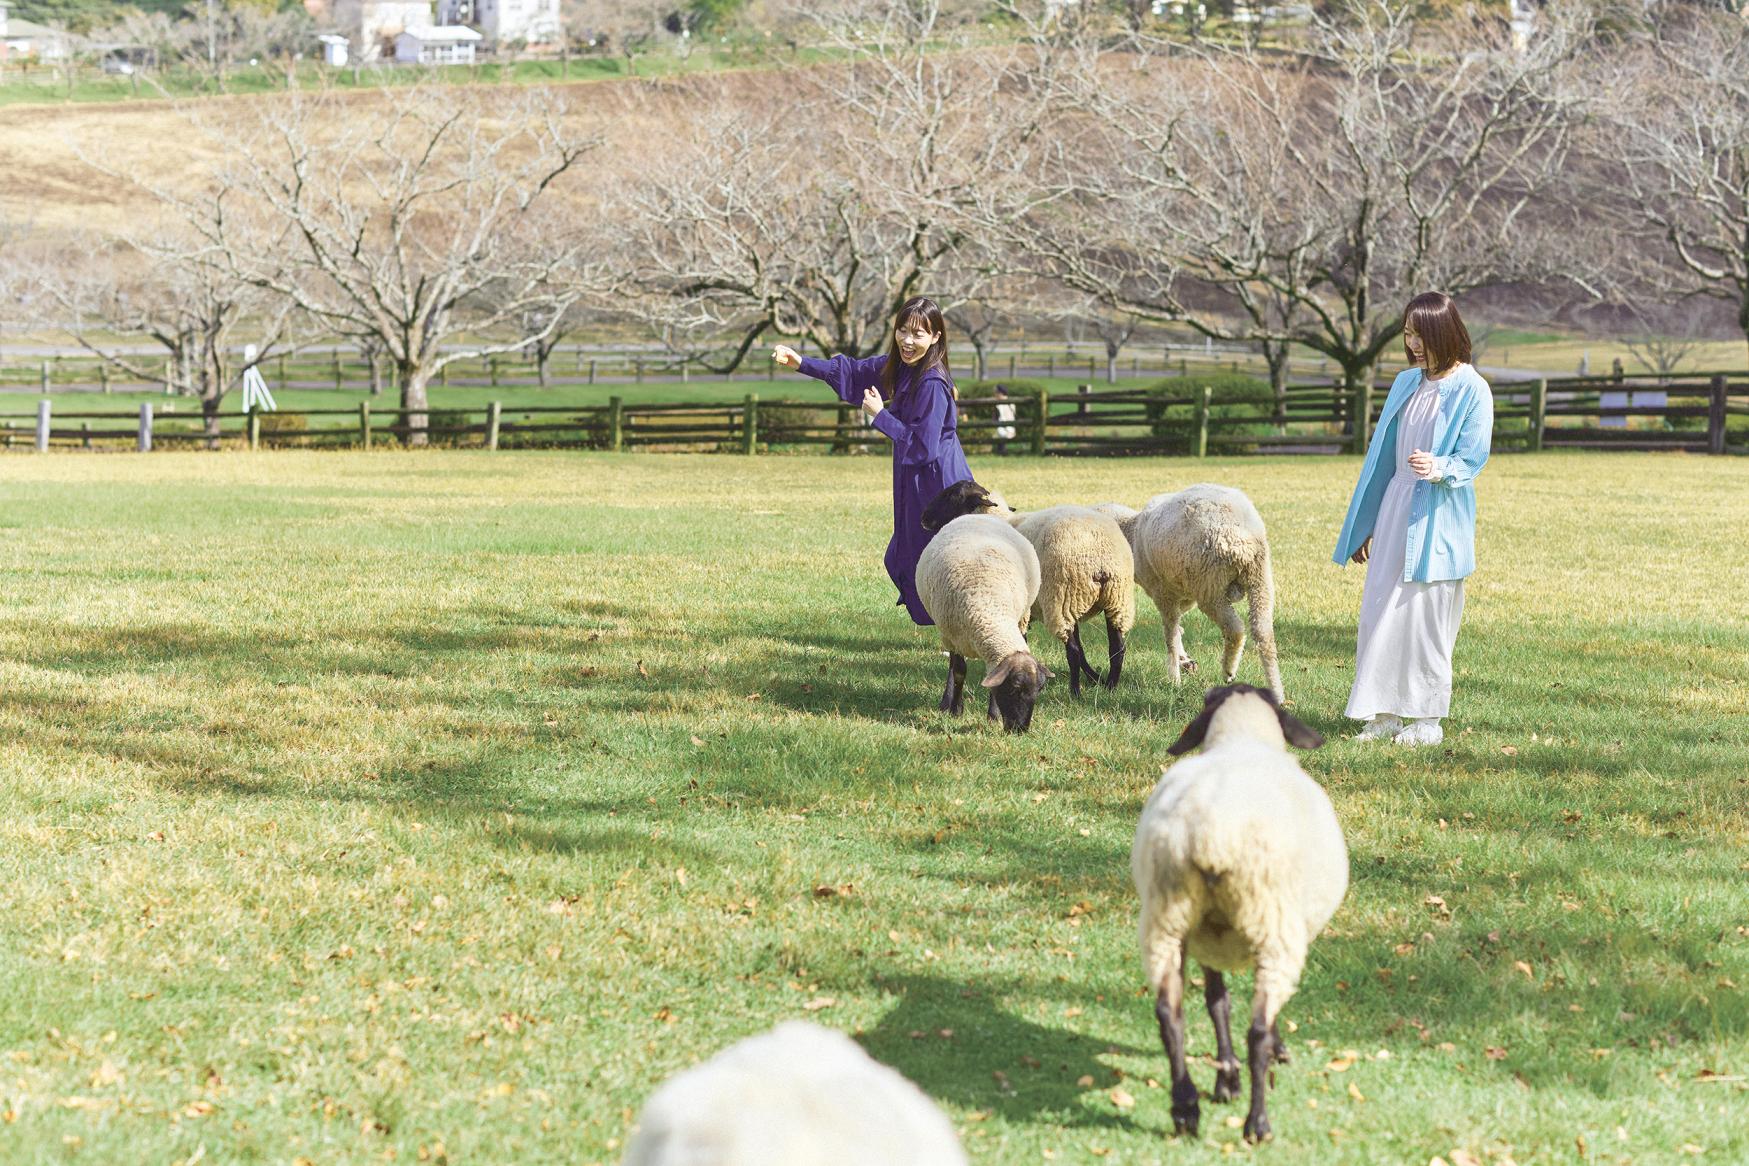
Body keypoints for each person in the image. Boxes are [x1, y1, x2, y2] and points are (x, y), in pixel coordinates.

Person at [1331, 292, 1494, 748]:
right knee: (1381, 612)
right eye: (1407, 334)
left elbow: (1473, 456)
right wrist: (1367, 525)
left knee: (1426, 617)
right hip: (1396, 504)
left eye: (1421, 334)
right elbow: (1380, 461)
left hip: (1438, 513)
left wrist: (1440, 467)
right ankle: (1382, 714)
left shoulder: (1471, 388)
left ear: (1446, 333)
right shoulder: (1406, 383)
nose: (1413, 344)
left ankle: (1426, 719)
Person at [772, 297, 973, 626]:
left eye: (918, 334)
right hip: (916, 480)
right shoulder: (906, 368)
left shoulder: (932, 383)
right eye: (902, 331)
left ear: (936, 337)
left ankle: (962, 629)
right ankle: (952, 629)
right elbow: (854, 370)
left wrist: (880, 415)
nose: (907, 341)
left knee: (940, 560)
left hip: (940, 486)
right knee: (908, 557)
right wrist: (801, 363)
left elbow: (923, 447)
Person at [992, 384, 1017, 455]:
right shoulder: (1012, 403)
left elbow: (995, 419)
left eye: (996, 392)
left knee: (1000, 433)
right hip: (1011, 428)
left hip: (1002, 429)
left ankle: (1001, 451)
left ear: (1000, 393)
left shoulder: (998, 405)